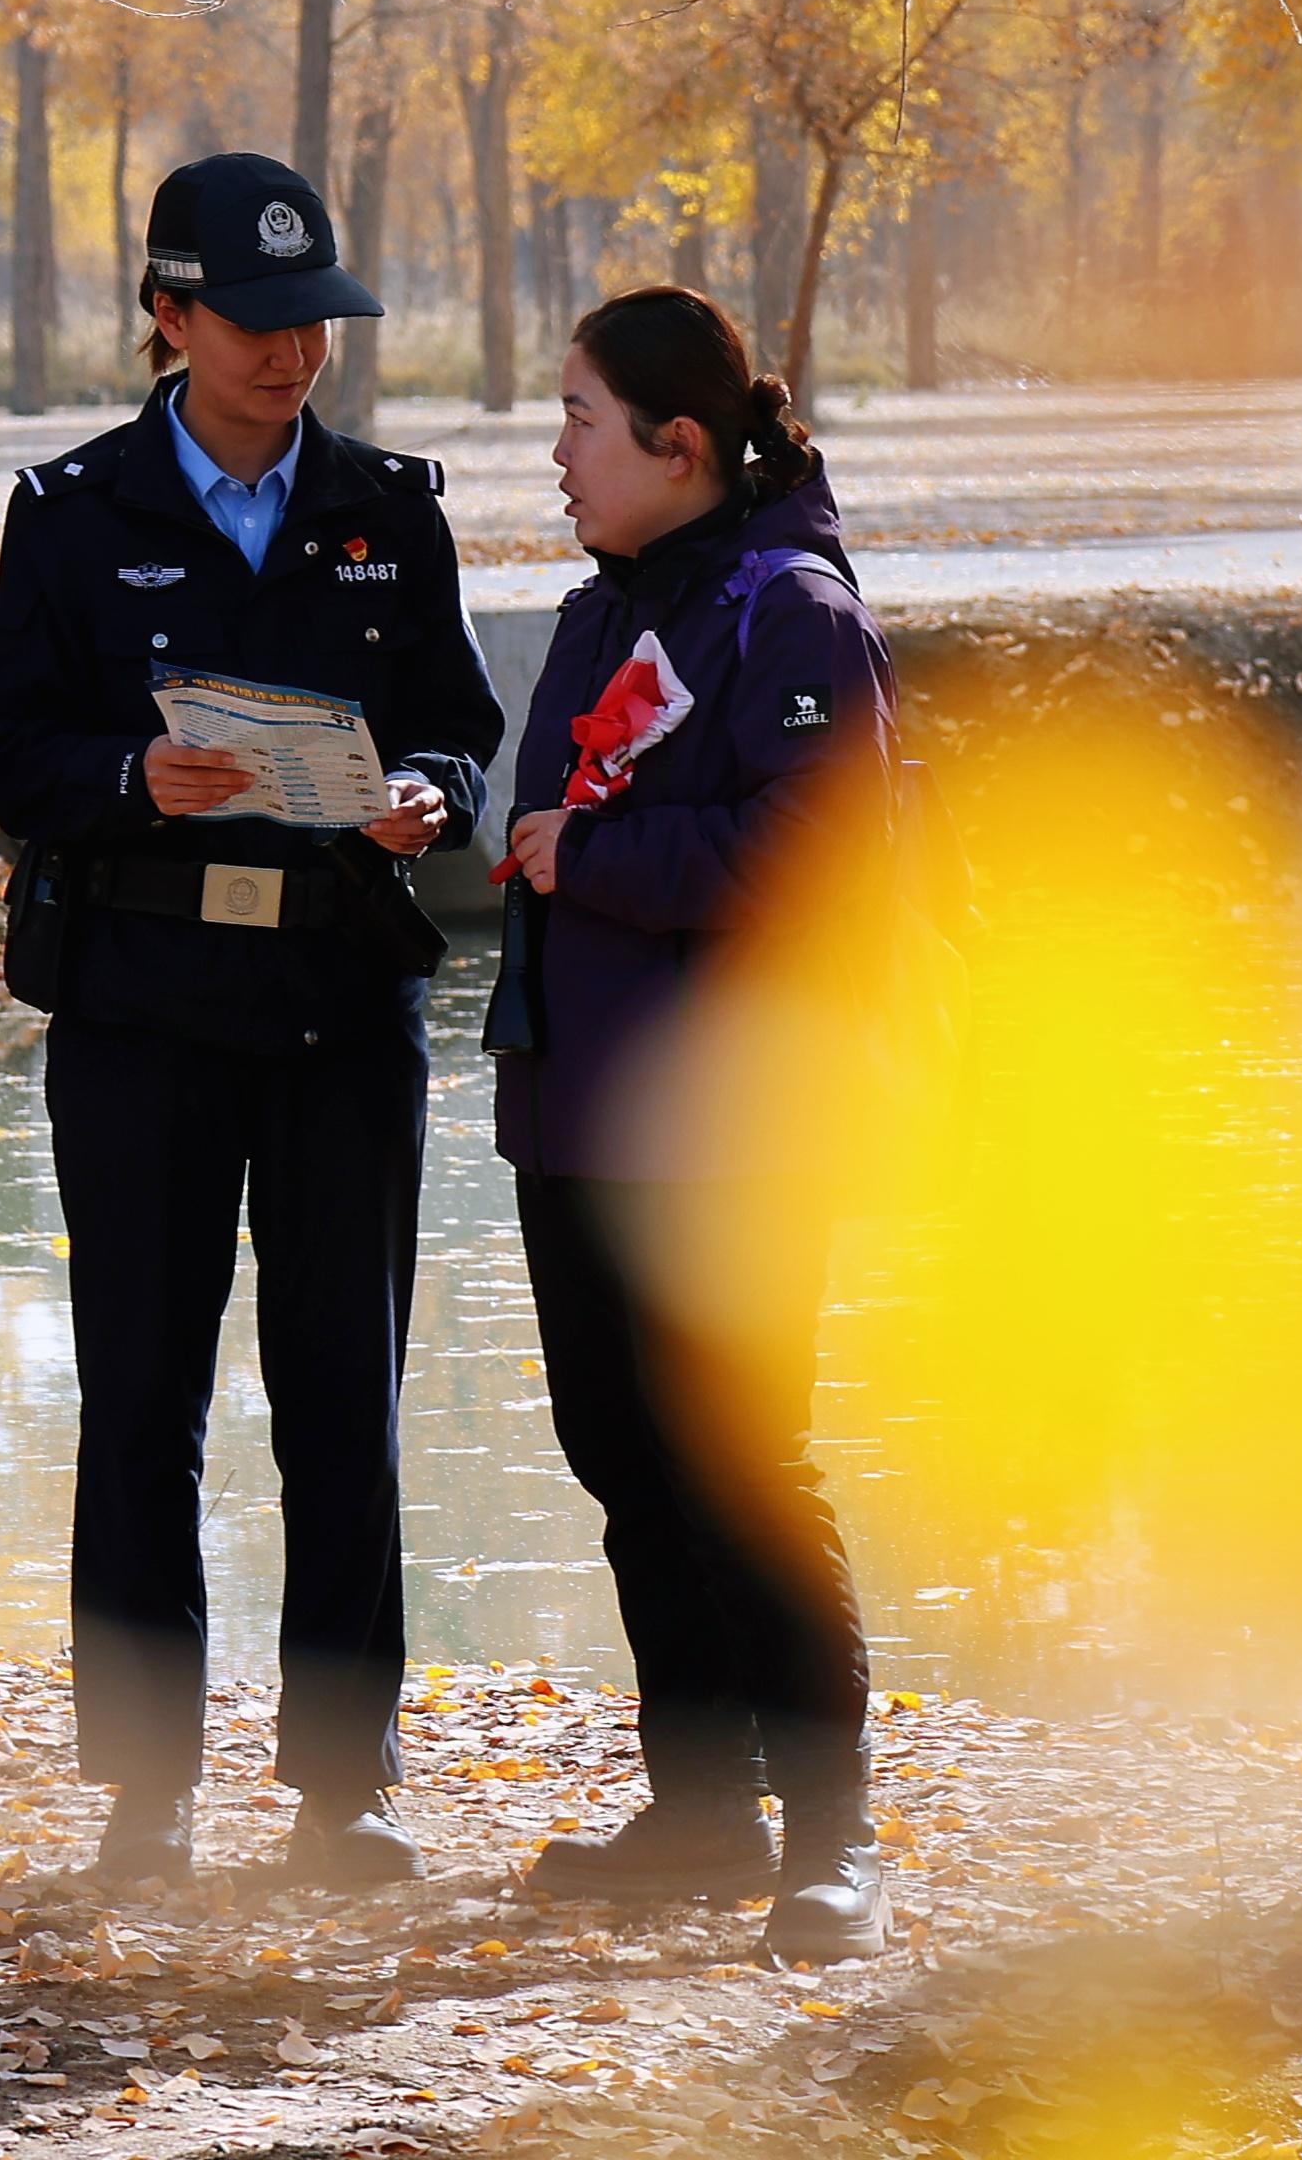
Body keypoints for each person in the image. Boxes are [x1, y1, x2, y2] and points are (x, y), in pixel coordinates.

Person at [0, 150, 504, 1887]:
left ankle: (346, 1786)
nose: (292, 353)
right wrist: (131, 777)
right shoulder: (73, 511)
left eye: (314, 321)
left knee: (346, 1397)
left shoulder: (390, 508)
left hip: (344, 1005)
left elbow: (461, 722)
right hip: (144, 1010)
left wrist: (429, 793)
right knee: (140, 1397)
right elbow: (8, 750)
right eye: (258, 322)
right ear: (169, 314)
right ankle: (146, 1788)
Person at [485, 284, 892, 1959]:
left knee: (739, 1462)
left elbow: (819, 859)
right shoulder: (605, 610)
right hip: (578, 1107)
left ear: (678, 444)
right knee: (622, 1454)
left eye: (579, 421)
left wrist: (594, 857)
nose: (558, 455)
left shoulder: (791, 614)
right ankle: (704, 1805)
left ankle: (835, 1838)